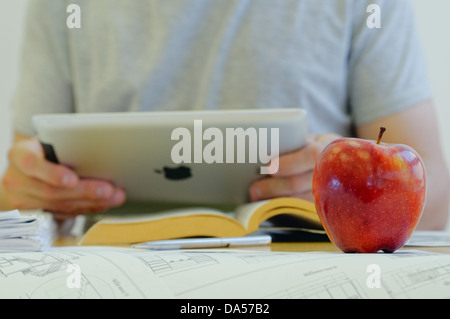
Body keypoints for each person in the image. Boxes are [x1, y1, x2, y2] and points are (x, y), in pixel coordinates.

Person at [1, 0, 449, 229]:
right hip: (108, 270)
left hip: (302, 265)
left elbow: (436, 196)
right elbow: (20, 184)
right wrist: (28, 190)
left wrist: (349, 189)